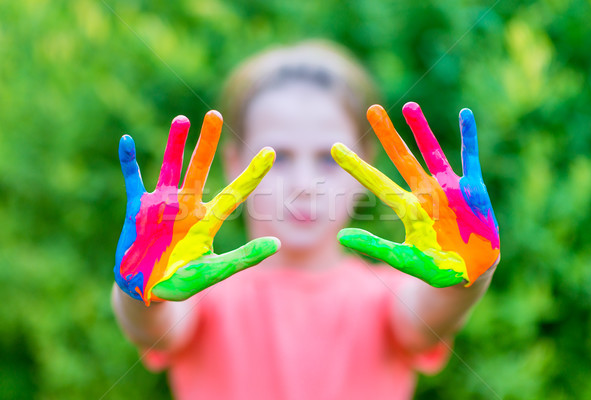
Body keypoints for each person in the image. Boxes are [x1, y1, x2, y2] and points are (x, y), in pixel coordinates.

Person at [111, 40, 500, 400]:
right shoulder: (201, 292)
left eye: (328, 159)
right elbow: (155, 327)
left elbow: (436, 311)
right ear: (233, 164)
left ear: (366, 167)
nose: (303, 185)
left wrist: (471, 273)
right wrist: (142, 290)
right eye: (278, 156)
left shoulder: (389, 296)